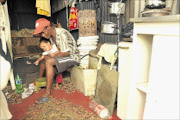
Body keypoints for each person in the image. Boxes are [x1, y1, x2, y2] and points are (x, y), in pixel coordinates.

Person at [33, 18, 80, 103]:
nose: (43, 35)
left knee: (49, 61)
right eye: (41, 34)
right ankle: (40, 82)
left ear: (48, 27)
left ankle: (48, 93)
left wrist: (52, 58)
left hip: (72, 57)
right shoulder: (51, 37)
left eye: (43, 32)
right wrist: (49, 56)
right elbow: (57, 50)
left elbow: (66, 53)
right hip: (64, 56)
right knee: (45, 59)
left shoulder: (61, 33)